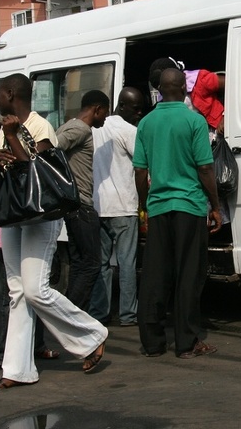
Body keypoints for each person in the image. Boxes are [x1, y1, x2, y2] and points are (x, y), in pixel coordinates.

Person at [0, 73, 108, 391]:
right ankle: (17, 370)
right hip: (13, 216)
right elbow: (8, 170)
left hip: (42, 216)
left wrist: (13, 139)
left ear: (10, 94)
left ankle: (91, 335)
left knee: (36, 289)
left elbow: (35, 170)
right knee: (17, 293)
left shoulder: (40, 126)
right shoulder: (3, 128)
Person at [133, 67, 222, 359]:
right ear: (184, 88)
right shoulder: (194, 121)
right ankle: (186, 343)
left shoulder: (146, 123)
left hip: (159, 207)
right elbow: (205, 168)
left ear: (159, 90)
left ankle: (152, 342)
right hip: (189, 206)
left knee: (155, 275)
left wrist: (145, 203)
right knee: (188, 274)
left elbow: (141, 170)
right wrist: (215, 205)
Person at [0, 122, 58, 370]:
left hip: (12, 232)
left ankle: (29, 351)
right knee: (11, 297)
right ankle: (1, 355)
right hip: (3, 237)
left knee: (26, 293)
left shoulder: (6, 164)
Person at [90, 87, 145, 327]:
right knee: (127, 264)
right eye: (136, 109)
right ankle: (128, 315)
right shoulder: (128, 131)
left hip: (98, 205)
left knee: (102, 265)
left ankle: (100, 313)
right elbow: (143, 165)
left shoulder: (93, 129)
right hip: (124, 206)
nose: (140, 113)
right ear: (122, 106)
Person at [56, 90, 111, 312]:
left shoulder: (69, 125)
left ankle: (71, 312)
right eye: (105, 113)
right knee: (92, 264)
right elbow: (50, 147)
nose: (105, 118)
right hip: (81, 205)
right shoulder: (80, 129)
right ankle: (71, 314)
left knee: (79, 263)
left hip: (72, 206)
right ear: (96, 109)